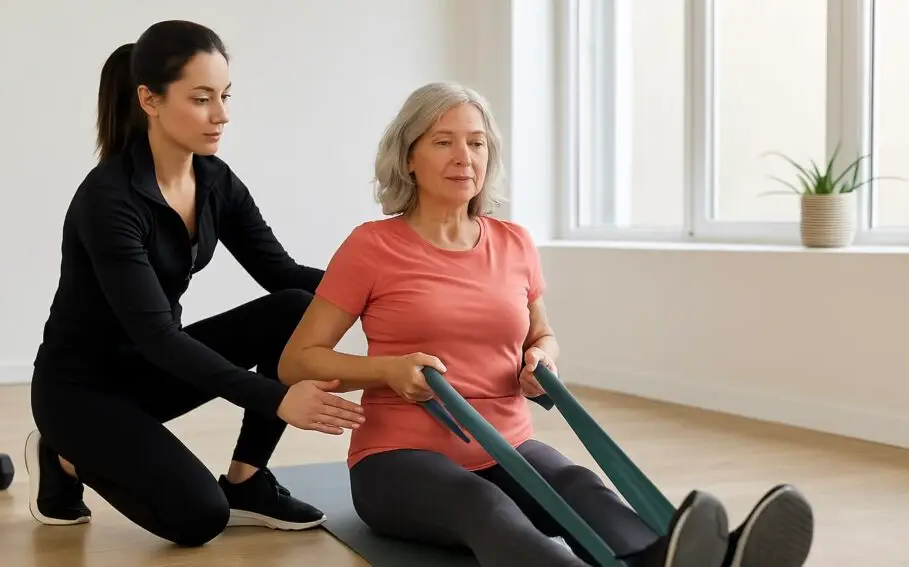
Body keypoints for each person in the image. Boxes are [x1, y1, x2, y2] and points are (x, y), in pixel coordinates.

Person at [276, 82, 815, 567]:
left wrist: (542, 361)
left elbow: (541, 335)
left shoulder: (514, 242)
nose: (464, 156)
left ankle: (671, 559)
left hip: (509, 445)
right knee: (483, 505)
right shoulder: (373, 246)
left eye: (477, 142)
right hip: (397, 461)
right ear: (409, 157)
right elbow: (297, 360)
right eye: (443, 141)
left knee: (581, 488)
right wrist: (388, 370)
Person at [25, 20, 366, 547]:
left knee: (296, 306)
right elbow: (159, 335)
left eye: (225, 96)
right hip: (80, 393)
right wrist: (278, 398)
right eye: (202, 98)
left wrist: (388, 289)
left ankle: (247, 481)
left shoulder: (214, 180)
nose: (222, 114)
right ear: (150, 100)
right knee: (198, 518)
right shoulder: (108, 201)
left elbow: (282, 274)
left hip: (152, 374)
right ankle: (64, 453)